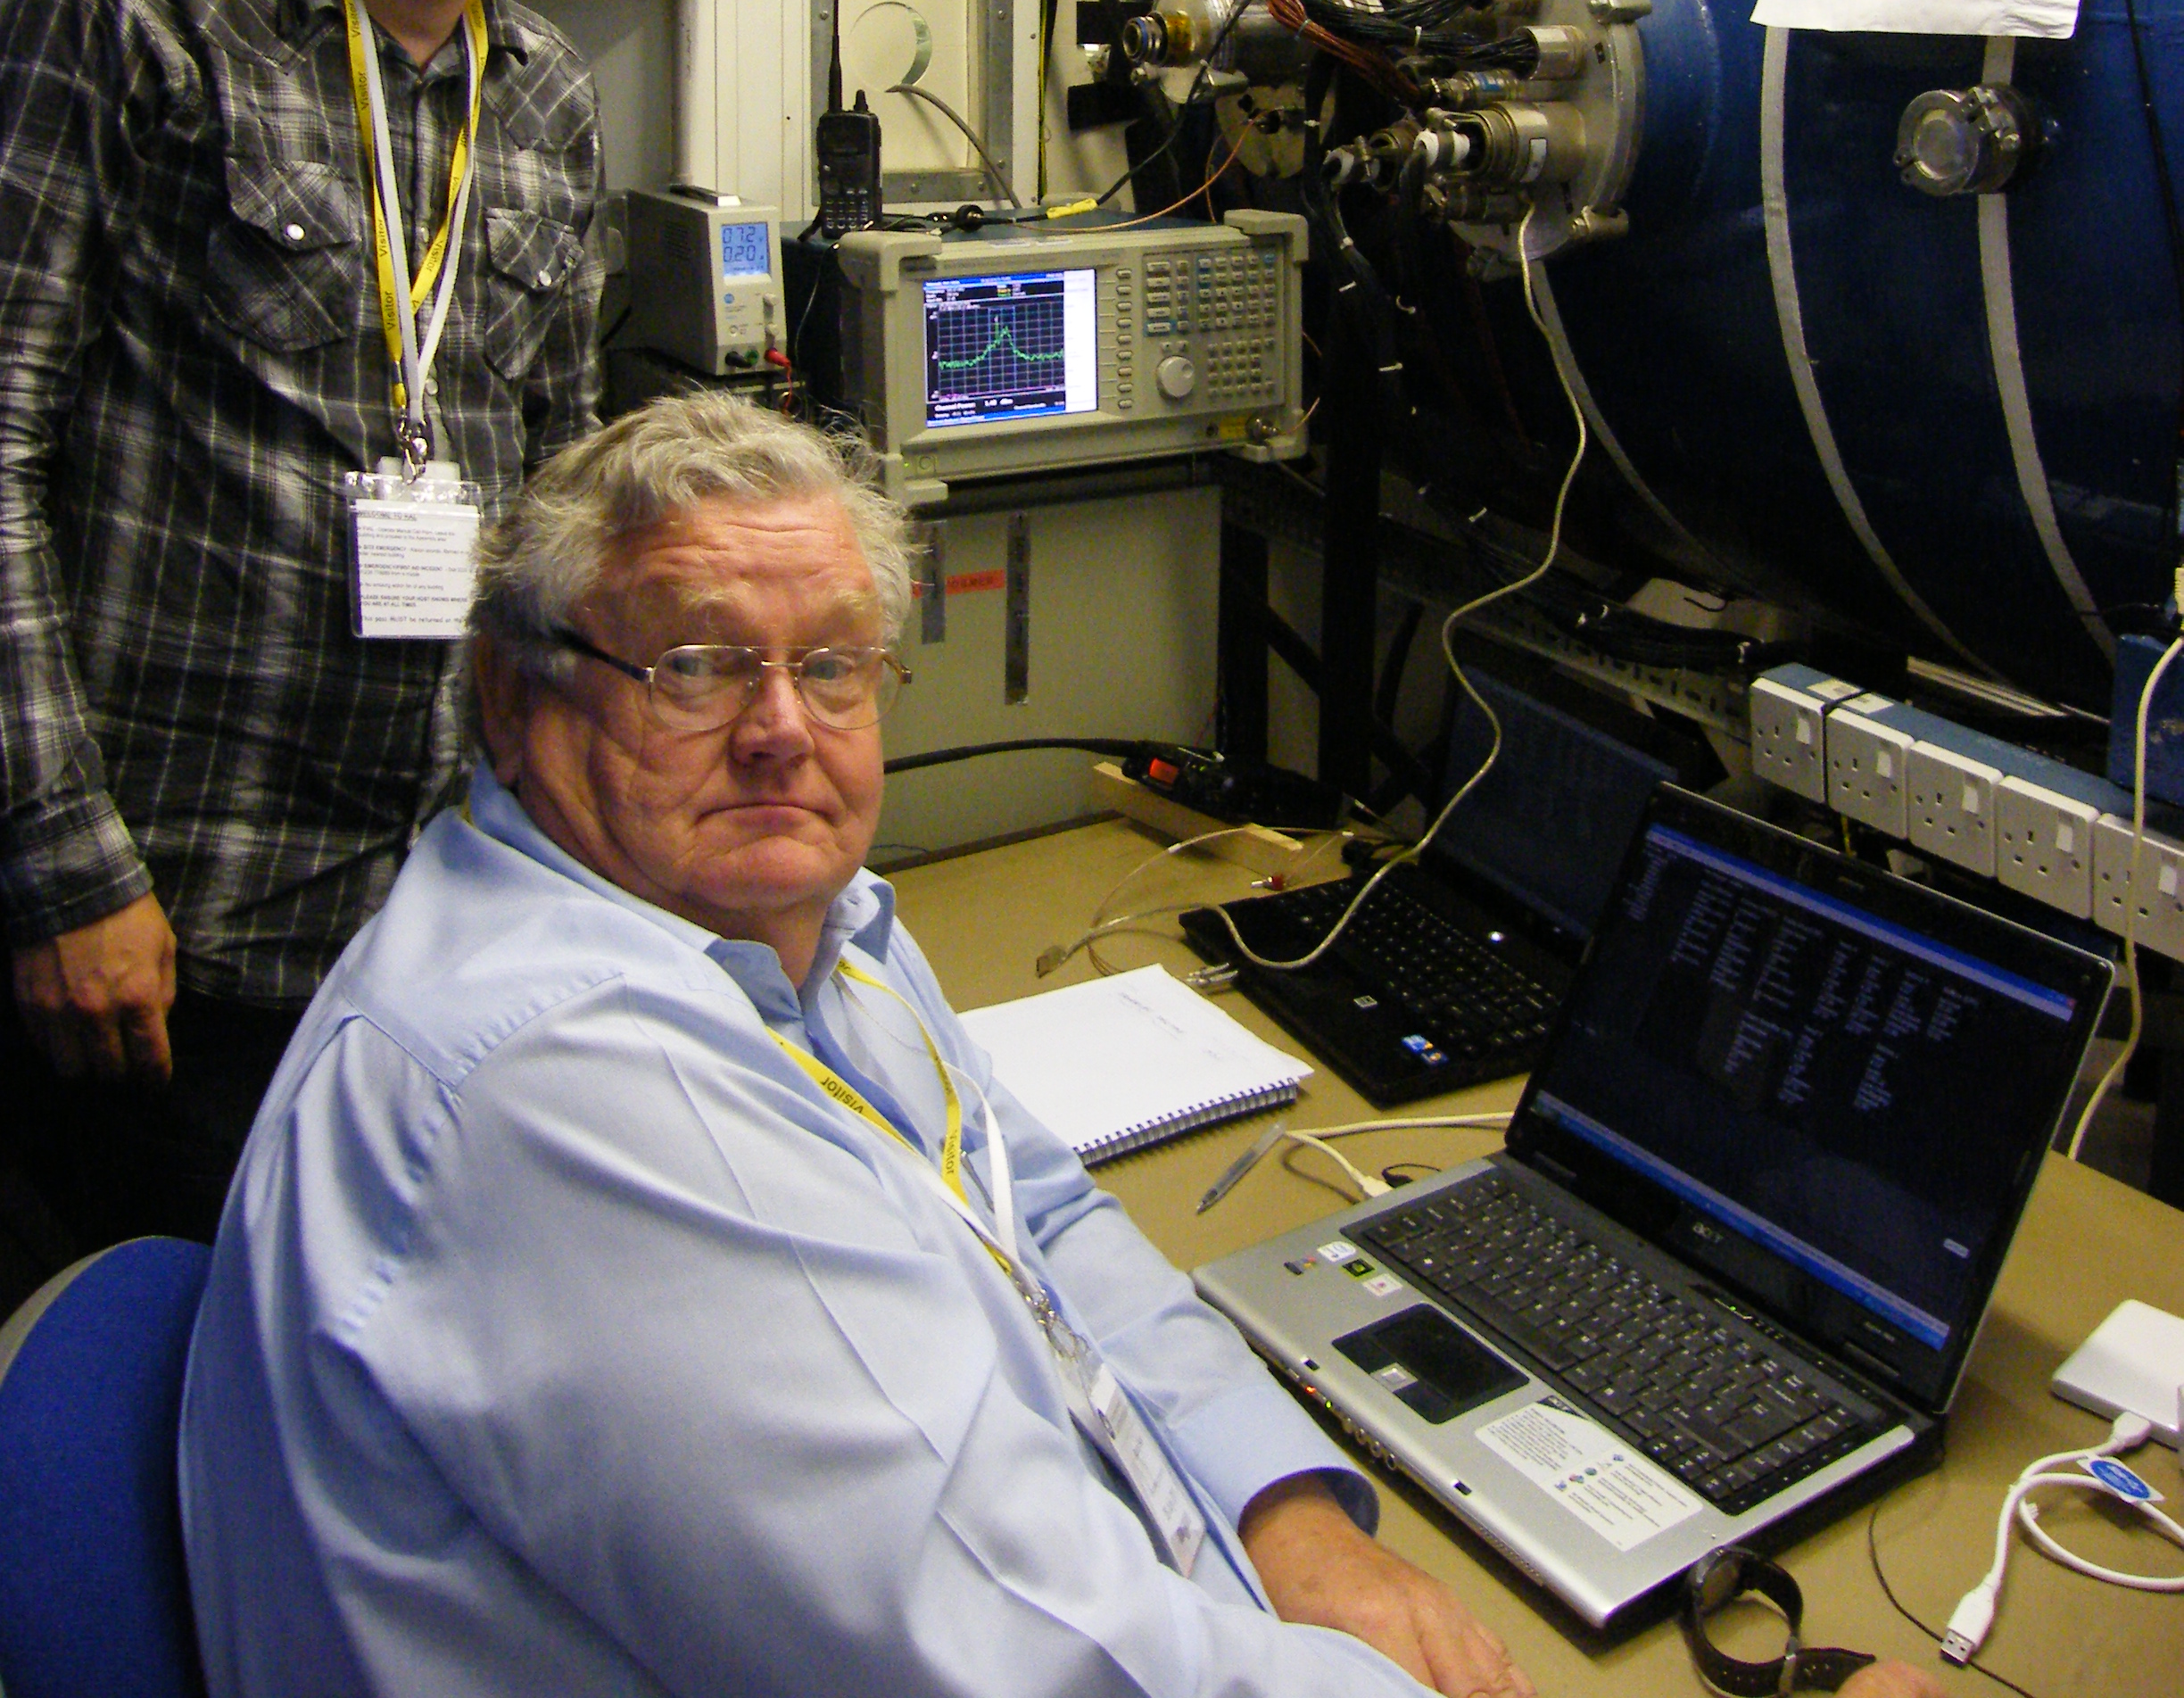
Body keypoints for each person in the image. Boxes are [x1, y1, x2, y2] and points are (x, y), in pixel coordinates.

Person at [178, 392, 1944, 1698]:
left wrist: (1286, 1520)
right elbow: (1014, 1662)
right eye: (698, 667)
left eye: (836, 666)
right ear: (518, 695)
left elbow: (1047, 1221)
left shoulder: (788, 930)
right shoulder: (566, 1083)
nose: (783, 731)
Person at [0, 0, 616, 1258]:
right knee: (153, 1370)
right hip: (154, 936)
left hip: (426, 923)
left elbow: (559, 515)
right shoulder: (128, 8)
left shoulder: (546, 100)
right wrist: (63, 866)